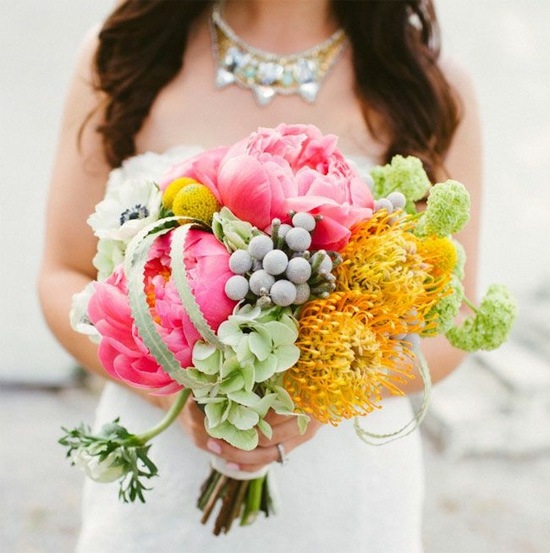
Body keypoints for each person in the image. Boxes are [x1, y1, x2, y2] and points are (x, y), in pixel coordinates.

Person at [39, 1, 482, 551]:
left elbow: (457, 315)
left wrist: (322, 390)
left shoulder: (427, 83)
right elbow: (63, 272)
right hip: (163, 481)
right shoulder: (124, 53)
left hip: (344, 495)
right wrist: (174, 397)